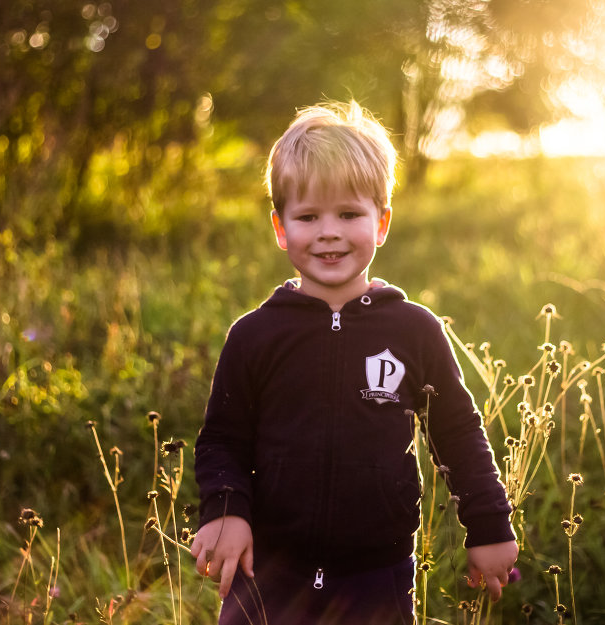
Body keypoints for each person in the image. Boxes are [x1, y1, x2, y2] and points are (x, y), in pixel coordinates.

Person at [191, 101, 518, 624]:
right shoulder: (255, 336)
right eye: (307, 216)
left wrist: (488, 525)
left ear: (381, 221)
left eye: (348, 214)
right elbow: (222, 440)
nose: (328, 232)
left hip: (376, 576)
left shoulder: (414, 331)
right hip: (269, 572)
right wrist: (227, 511)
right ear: (280, 227)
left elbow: (457, 432)